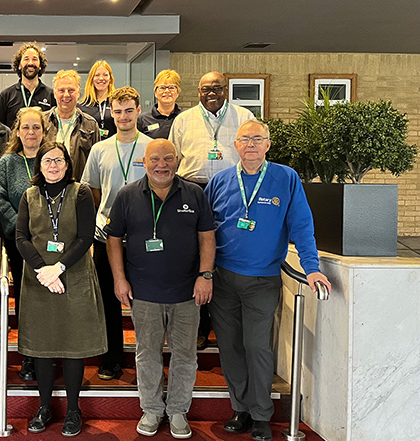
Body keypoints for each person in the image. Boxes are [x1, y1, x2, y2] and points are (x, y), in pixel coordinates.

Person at [205, 120, 331, 441]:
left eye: (257, 139)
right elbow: (202, 231)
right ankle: (241, 408)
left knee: (257, 345)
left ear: (268, 145)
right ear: (235, 145)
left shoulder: (286, 179)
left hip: (262, 279)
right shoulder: (219, 181)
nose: (251, 144)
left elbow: (302, 226)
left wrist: (311, 267)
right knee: (230, 347)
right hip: (222, 278)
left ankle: (262, 412)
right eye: (245, 139)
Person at [105, 139, 215, 439]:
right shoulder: (128, 195)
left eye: (168, 158)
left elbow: (207, 236)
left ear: (177, 160)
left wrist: (206, 275)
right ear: (144, 161)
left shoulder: (194, 193)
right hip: (144, 292)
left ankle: (178, 410)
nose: (161, 164)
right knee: (147, 353)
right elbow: (113, 239)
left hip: (187, 293)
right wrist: (119, 278)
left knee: (185, 354)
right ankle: (152, 409)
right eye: (155, 159)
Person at [16, 142, 106, 437]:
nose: (53, 165)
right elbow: (21, 237)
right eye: (47, 161)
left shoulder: (80, 192)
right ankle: (44, 407)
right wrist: (44, 269)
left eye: (58, 160)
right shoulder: (29, 195)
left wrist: (60, 268)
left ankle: (73, 410)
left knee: (72, 345)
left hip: (73, 275)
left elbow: (85, 236)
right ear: (38, 166)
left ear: (67, 164)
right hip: (39, 278)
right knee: (41, 346)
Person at [168, 71, 254, 350]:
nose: (211, 93)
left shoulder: (243, 118)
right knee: (193, 255)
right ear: (198, 92)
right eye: (206, 89)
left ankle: (226, 323)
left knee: (227, 251)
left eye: (217, 88)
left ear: (226, 89)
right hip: (192, 188)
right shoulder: (184, 120)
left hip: (231, 190)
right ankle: (199, 326)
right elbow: (173, 158)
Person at [81, 86, 152, 381]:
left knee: (145, 302)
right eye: (117, 111)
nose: (123, 116)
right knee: (109, 300)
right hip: (106, 237)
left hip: (143, 238)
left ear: (138, 111)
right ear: (112, 113)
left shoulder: (151, 147)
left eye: (128, 110)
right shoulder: (100, 149)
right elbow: (93, 192)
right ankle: (111, 358)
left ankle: (146, 361)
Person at [0, 106, 46, 382]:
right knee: (24, 297)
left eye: (36, 127)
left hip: (49, 242)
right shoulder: (7, 161)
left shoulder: (52, 158)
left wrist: (44, 232)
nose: (30, 132)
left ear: (44, 131)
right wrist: (21, 229)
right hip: (18, 242)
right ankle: (27, 354)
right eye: (25, 127)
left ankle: (47, 352)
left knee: (47, 297)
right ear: (17, 131)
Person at [44, 70, 100, 180]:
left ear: (78, 92)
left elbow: (96, 162)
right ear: (55, 93)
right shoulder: (42, 122)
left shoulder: (90, 125)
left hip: (79, 188)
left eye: (71, 90)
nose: (66, 95)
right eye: (61, 90)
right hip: (47, 188)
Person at [0, 42, 56, 128]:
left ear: (40, 65)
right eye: (26, 59)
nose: (30, 63)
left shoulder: (51, 95)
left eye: (34, 59)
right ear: (19, 65)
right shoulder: (6, 95)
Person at [138, 69, 183, 139]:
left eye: (171, 87)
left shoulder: (184, 118)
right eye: (162, 87)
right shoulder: (142, 120)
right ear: (155, 92)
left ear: (177, 92)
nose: (167, 91)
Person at [78, 60, 117, 139]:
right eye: (97, 75)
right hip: (90, 149)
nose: (101, 78)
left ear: (110, 79)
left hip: (113, 148)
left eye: (105, 75)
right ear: (91, 79)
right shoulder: (81, 106)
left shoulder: (116, 103)